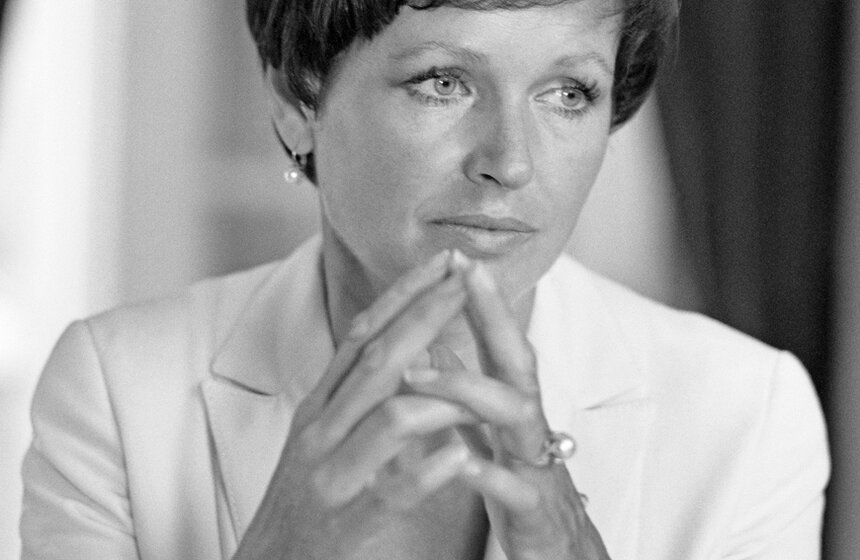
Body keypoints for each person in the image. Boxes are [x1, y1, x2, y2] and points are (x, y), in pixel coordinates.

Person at [20, 0, 830, 558]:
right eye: (444, 82)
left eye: (568, 93)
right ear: (297, 100)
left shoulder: (748, 413)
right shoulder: (116, 387)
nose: (511, 162)